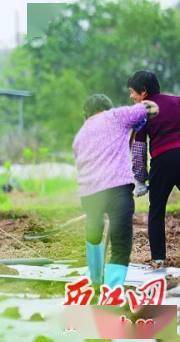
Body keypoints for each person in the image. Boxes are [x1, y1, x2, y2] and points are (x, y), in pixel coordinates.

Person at [73, 94, 158, 289]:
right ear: (107, 107)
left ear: (86, 115)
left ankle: (94, 281)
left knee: (93, 234)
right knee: (120, 243)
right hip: (117, 189)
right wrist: (142, 118)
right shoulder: (116, 116)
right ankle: (111, 290)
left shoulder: (80, 136)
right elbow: (150, 107)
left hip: (90, 194)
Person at [128, 71, 180, 268]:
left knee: (156, 211)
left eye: (132, 92)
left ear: (143, 92)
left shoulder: (142, 111)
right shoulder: (177, 101)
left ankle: (158, 259)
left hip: (162, 161)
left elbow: (139, 148)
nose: (131, 97)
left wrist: (140, 179)